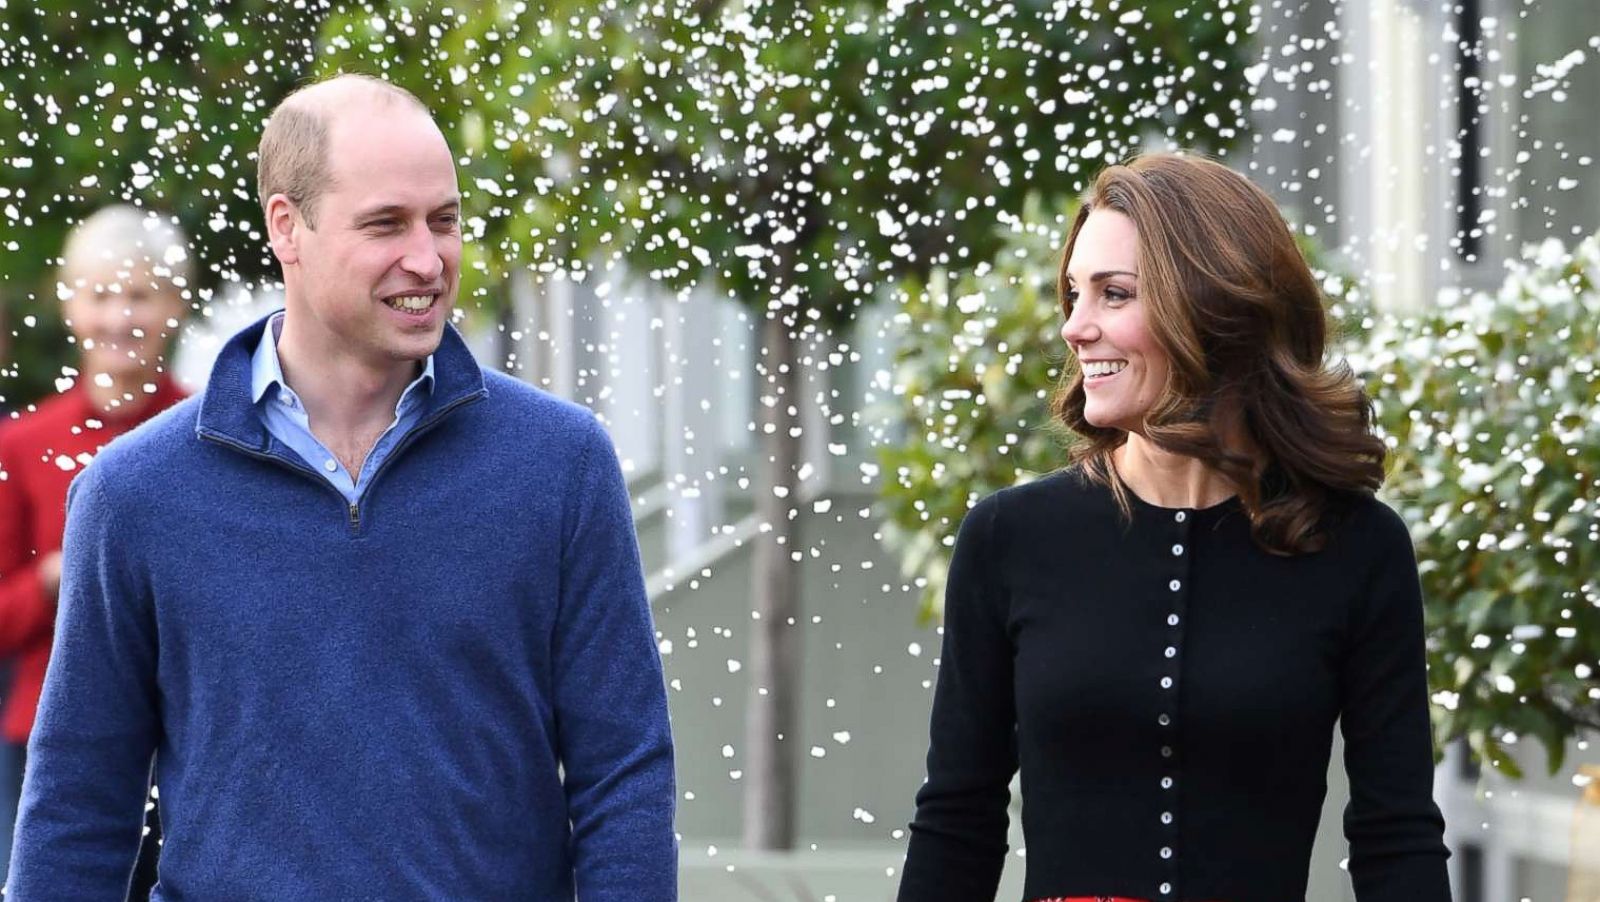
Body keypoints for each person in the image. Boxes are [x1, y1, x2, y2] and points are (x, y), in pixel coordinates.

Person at [7, 74, 677, 898]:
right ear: (287, 226)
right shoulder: (134, 492)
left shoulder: (562, 464)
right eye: (386, 224)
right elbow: (79, 804)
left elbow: (625, 773)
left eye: (445, 220)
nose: (427, 259)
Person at [896, 153, 1451, 902]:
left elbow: (1397, 835)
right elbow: (958, 822)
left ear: (1213, 307)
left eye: (1113, 294)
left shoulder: (1355, 546)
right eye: (1073, 294)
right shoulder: (1008, 538)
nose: (1074, 326)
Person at [0, 205, 191, 888]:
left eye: (140, 294)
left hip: (187, 740)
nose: (120, 319)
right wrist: (54, 581)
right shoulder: (21, 445)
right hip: (51, 739)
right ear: (70, 305)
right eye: (101, 295)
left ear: (175, 302)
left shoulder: (209, 431)